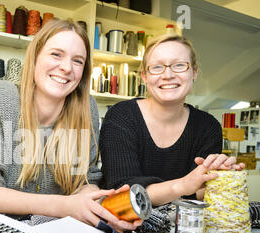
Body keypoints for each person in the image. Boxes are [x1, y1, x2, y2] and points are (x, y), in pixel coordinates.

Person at [0, 19, 141, 232]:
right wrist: (65, 206)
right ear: (35, 56)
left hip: (53, 230)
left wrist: (93, 201)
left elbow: (86, 178)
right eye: (56, 54)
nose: (66, 68)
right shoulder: (1, 97)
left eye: (78, 61)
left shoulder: (86, 107)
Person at [99, 34, 245, 206]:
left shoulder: (208, 126)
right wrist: (183, 186)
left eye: (179, 65)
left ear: (194, 72)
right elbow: (122, 194)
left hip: (182, 229)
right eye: (157, 67)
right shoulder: (121, 116)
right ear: (145, 76)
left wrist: (222, 180)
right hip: (122, 228)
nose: (168, 75)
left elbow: (197, 194)